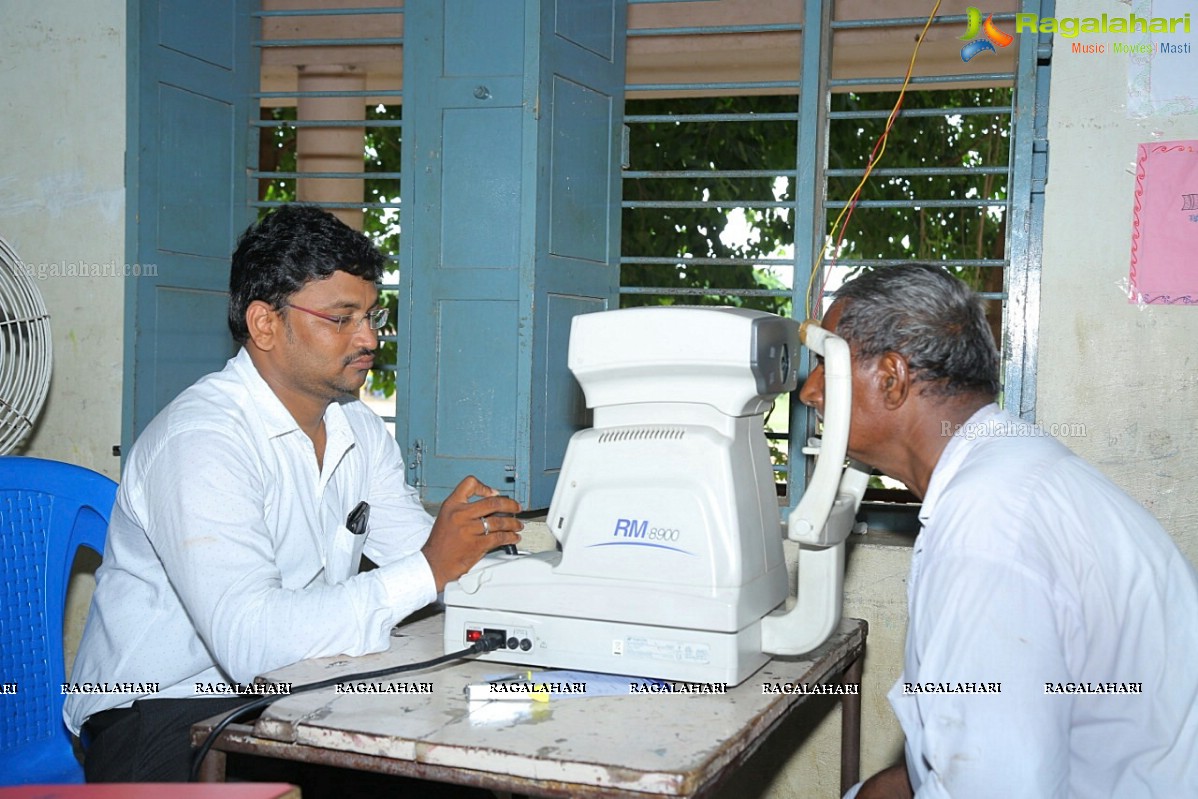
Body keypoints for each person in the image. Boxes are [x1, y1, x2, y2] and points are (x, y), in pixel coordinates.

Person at [64, 204, 523, 782]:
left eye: (372, 315)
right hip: (159, 710)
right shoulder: (202, 441)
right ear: (265, 325)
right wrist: (432, 566)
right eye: (342, 318)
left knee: (459, 767)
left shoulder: (356, 429)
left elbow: (425, 555)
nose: (369, 338)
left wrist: (523, 576)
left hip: (288, 686)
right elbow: (251, 640)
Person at [799, 264, 1198, 797]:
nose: (809, 392)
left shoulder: (988, 527)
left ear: (892, 379)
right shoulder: (1004, 473)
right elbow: (970, 749)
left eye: (826, 366)